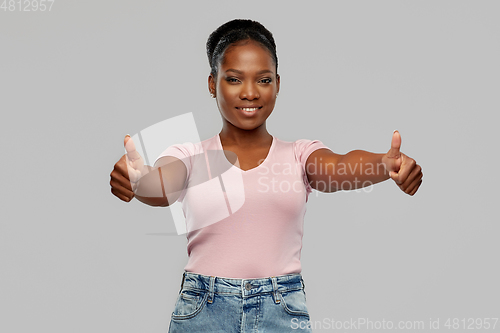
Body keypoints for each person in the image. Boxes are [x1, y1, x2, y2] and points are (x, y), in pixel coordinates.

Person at [109, 19, 423, 333]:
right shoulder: (190, 156)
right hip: (203, 311)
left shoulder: (299, 154)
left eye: (263, 80)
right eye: (234, 79)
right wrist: (140, 182)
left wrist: (384, 164)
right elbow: (162, 186)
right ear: (212, 83)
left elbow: (338, 167)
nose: (249, 93)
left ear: (277, 84)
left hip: (281, 310)